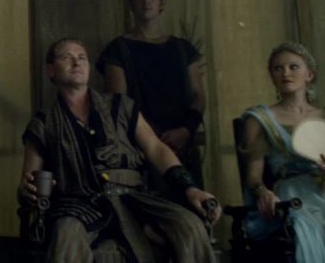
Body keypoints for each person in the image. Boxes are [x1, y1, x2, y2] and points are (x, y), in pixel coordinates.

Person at [19, 38, 220, 262]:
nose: (77, 63)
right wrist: (27, 190)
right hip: (78, 205)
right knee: (67, 234)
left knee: (189, 226)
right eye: (67, 58)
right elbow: (29, 180)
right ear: (50, 70)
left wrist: (190, 188)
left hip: (133, 198)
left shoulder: (121, 106)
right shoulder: (43, 123)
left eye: (82, 58)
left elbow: (156, 148)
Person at [96, 0, 207, 189]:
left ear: (162, 3)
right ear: (131, 4)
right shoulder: (118, 49)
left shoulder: (183, 49)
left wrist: (186, 130)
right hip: (139, 147)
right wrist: (150, 139)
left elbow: (198, 96)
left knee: (190, 201)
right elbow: (120, 103)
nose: (146, 0)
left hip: (182, 143)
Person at [240, 42, 325, 263]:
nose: (285, 73)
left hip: (322, 188)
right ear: (272, 76)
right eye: (278, 68)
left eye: (293, 67)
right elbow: (253, 177)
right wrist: (264, 193)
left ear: (309, 74)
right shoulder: (260, 119)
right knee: (308, 227)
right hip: (292, 195)